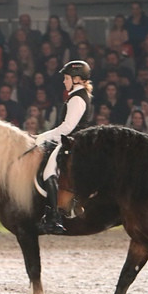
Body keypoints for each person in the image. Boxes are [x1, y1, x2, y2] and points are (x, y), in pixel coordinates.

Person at [34, 60, 94, 234]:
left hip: (72, 143)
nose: (64, 81)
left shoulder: (77, 98)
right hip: (70, 141)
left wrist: (42, 137)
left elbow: (67, 127)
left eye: (66, 78)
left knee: (49, 173)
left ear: (76, 79)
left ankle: (55, 218)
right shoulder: (77, 95)